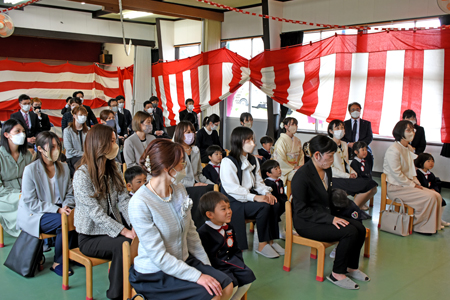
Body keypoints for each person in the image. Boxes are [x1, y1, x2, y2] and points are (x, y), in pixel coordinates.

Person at [128, 139, 233, 300]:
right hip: (155, 273)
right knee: (213, 295)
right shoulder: (140, 203)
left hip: (183, 261)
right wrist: (198, 277)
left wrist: (206, 268)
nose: (184, 168)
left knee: (225, 286)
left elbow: (191, 232)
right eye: (181, 164)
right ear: (167, 168)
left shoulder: (179, 189)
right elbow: (159, 257)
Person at [291, 135, 369, 290]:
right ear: (317, 155)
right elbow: (301, 210)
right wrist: (330, 219)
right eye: (331, 155)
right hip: (307, 222)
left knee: (359, 228)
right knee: (348, 232)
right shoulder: (301, 177)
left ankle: (351, 267)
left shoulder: (326, 170)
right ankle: (337, 273)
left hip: (324, 215)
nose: (333, 159)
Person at [73, 124, 135, 300]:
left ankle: (132, 289)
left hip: (112, 232)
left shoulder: (113, 167)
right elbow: (95, 213)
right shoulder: (82, 175)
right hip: (90, 237)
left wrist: (134, 225)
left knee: (135, 241)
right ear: (100, 144)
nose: (116, 145)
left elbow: (124, 200)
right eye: (113, 141)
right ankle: (117, 295)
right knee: (124, 245)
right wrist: (124, 231)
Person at [17, 131, 77, 276]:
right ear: (40, 149)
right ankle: (58, 261)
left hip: (59, 208)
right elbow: (30, 202)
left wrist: (66, 206)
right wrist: (57, 211)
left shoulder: (63, 167)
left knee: (76, 215)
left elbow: (70, 193)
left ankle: (71, 254)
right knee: (63, 221)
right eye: (52, 147)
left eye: (57, 146)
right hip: (36, 213)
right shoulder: (30, 170)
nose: (56, 150)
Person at [220, 126, 283, 257]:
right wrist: (254, 197)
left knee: (274, 203)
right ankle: (262, 244)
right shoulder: (228, 161)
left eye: (252, 140)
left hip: (249, 196)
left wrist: (266, 193)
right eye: (248, 140)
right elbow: (232, 188)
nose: (252, 144)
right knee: (263, 207)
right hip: (234, 200)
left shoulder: (253, 159)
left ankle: (271, 241)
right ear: (238, 141)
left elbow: (259, 181)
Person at [383, 120, 441, 235]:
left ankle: (433, 225)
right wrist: (413, 185)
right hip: (396, 187)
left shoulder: (408, 148)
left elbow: (411, 170)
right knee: (429, 197)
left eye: (412, 130)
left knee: (437, 196)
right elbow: (397, 174)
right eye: (408, 130)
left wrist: (416, 183)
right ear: (400, 132)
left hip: (406, 184)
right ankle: (419, 226)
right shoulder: (393, 149)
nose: (412, 132)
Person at [197, 191, 256, 300]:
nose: (229, 211)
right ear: (210, 214)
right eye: (224, 209)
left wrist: (239, 261)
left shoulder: (229, 226)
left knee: (248, 275)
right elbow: (205, 258)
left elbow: (235, 248)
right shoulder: (203, 233)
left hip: (232, 261)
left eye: (229, 207)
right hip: (217, 266)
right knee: (232, 283)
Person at [328, 120, 377, 210]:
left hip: (345, 176)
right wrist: (347, 176)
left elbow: (346, 163)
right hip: (334, 178)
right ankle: (353, 210)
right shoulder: (329, 145)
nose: (341, 130)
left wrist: (353, 172)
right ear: (331, 131)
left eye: (342, 128)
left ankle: (354, 208)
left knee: (373, 187)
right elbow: (330, 168)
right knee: (370, 185)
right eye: (337, 128)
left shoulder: (344, 144)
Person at [173, 121, 214, 227]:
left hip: (197, 183)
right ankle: (198, 226)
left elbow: (199, 174)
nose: (190, 134)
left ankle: (211, 224)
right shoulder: (175, 150)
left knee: (212, 188)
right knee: (202, 190)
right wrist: (194, 184)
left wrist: (212, 184)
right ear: (179, 133)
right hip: (182, 186)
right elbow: (175, 177)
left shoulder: (195, 150)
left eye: (192, 131)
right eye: (187, 132)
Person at [0, 119, 34, 237]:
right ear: (6, 134)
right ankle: (29, 234)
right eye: (17, 131)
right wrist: (19, 193)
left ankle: (41, 233)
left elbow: (32, 178)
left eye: (23, 131)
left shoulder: (27, 154)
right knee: (24, 201)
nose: (22, 134)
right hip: (4, 195)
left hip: (24, 191)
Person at [414, 153, 449, 228]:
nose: (431, 163)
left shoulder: (431, 174)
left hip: (431, 193)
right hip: (423, 194)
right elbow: (419, 186)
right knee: (432, 201)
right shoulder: (417, 173)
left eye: (432, 161)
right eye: (428, 161)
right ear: (421, 162)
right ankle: (432, 221)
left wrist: (434, 189)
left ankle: (438, 219)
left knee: (442, 201)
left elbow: (435, 184)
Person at [342, 102, 373, 168]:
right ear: (349, 112)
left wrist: (360, 145)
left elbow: (369, 137)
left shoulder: (367, 124)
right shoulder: (344, 124)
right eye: (353, 109)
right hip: (348, 147)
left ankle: (367, 174)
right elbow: (342, 137)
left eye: (357, 109)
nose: (355, 111)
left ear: (360, 111)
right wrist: (348, 144)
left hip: (362, 147)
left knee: (369, 155)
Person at [273, 117, 304, 183]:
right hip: (286, 170)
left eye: (296, 124)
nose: (295, 126)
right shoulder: (281, 141)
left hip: (296, 167)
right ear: (286, 126)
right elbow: (280, 158)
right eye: (292, 124)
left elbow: (301, 155)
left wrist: (300, 166)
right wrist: (293, 167)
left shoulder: (297, 141)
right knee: (300, 177)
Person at [63, 106, 89, 177]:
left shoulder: (88, 130)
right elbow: (69, 150)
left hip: (86, 157)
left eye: (84, 115)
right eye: (80, 115)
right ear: (74, 116)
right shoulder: (67, 131)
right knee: (83, 167)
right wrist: (84, 154)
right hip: (73, 158)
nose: (83, 117)